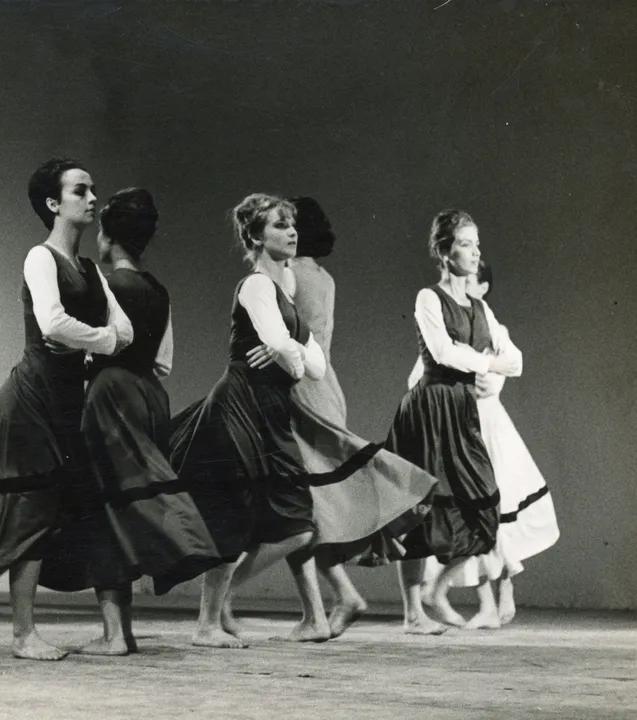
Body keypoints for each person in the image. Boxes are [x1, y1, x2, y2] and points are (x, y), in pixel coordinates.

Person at [167, 193, 436, 647]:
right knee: (269, 509)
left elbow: (303, 358)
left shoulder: (291, 283)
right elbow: (289, 349)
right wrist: (285, 351)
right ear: (255, 235)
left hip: (285, 401)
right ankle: (218, 617)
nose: (291, 231)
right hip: (252, 404)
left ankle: (243, 608)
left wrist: (286, 351)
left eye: (292, 223)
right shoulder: (266, 284)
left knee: (301, 515)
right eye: (279, 224)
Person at [0, 158, 133, 661]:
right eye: (80, 190)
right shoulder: (41, 258)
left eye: (92, 189)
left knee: (41, 508)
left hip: (65, 400)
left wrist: (100, 340)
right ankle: (22, 634)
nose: (92, 199)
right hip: (33, 396)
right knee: (34, 507)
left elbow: (124, 330)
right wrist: (102, 340)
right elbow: (52, 323)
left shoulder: (88, 269)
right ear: (52, 203)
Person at [48, 188, 228, 656]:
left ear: (106, 236)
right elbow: (164, 362)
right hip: (150, 395)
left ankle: (116, 633)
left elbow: (92, 345)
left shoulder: (106, 286)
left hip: (111, 394)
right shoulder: (158, 290)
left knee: (105, 504)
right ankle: (119, 632)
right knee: (126, 502)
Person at [385, 210, 522, 634]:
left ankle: (434, 590)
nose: (476, 251)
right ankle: (413, 614)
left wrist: (493, 370)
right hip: (428, 409)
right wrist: (488, 362)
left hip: (462, 411)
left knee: (484, 507)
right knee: (418, 507)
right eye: (466, 243)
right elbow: (443, 352)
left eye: (477, 243)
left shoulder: (481, 307)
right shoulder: (429, 298)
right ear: (445, 252)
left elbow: (516, 360)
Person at [414, 261, 558, 628]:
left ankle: (497, 596)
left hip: (490, 428)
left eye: (473, 283)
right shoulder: (445, 332)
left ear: (483, 289)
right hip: (457, 427)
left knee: (498, 513)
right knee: (471, 513)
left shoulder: (492, 327)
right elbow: (419, 375)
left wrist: (483, 368)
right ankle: (485, 604)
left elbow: (500, 375)